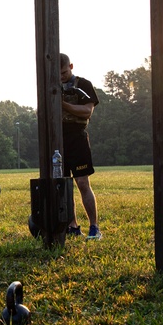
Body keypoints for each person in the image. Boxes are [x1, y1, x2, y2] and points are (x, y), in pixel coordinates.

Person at [60, 53, 102, 240]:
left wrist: (61, 105)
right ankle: (72, 226)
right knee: (63, 186)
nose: (61, 77)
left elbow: (86, 111)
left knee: (83, 183)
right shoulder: (51, 86)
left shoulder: (83, 85)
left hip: (77, 138)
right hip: (56, 140)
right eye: (57, 74)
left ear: (71, 66)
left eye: (64, 72)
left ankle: (94, 228)